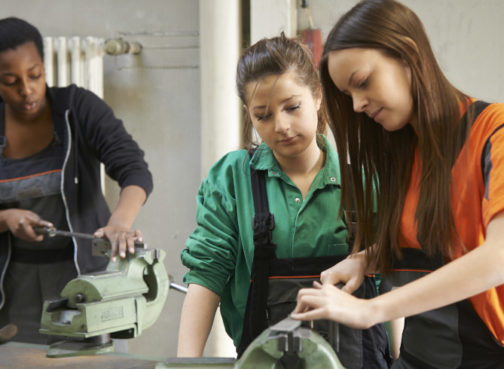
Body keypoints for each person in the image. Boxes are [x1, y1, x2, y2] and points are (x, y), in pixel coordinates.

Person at [291, 0, 504, 368]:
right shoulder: (406, 155)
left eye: (362, 83)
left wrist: (370, 310)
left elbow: (501, 257)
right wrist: (368, 258)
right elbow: (435, 245)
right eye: (348, 96)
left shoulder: (497, 131)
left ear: (408, 55)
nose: (358, 105)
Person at [178, 33, 390, 368]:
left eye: (292, 107)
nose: (282, 126)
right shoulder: (232, 180)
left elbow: (395, 268)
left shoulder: (364, 180)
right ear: (249, 113)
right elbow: (207, 273)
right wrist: (184, 363)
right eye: (263, 115)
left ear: (317, 96)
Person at [0, 17, 153, 344]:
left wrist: (120, 224)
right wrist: (4, 219)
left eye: (35, 75)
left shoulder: (78, 109)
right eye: (10, 81)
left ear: (44, 66)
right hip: (11, 289)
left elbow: (134, 170)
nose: (26, 90)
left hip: (82, 282)